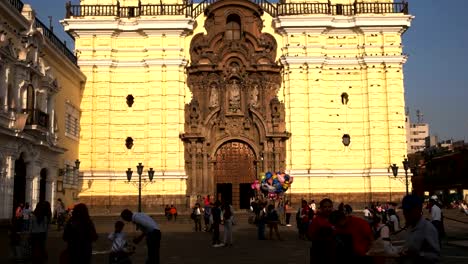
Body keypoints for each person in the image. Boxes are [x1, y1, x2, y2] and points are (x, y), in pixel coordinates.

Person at [399, 194, 440, 264]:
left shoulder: (428, 228)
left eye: (409, 211)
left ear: (418, 209)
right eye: (405, 211)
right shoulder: (410, 226)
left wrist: (418, 255)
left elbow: (435, 256)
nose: (405, 214)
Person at [308, 198, 335, 264]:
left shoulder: (336, 219)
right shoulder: (316, 220)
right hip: (319, 252)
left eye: (329, 207)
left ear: (332, 207)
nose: (327, 209)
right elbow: (310, 235)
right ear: (321, 208)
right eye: (325, 207)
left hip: (334, 252)